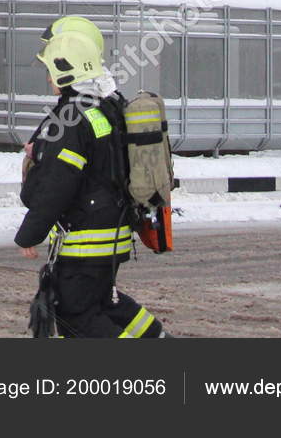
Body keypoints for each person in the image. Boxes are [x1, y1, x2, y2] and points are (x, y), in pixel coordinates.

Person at [16, 20, 168, 338]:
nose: (47, 77)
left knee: (77, 315)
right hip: (110, 231)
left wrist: (29, 233)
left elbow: (58, 183)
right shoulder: (104, 107)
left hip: (86, 239)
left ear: (66, 71)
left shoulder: (71, 120)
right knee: (104, 302)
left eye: (51, 69)